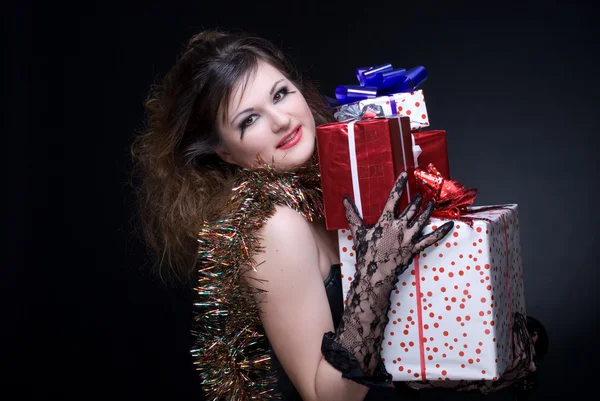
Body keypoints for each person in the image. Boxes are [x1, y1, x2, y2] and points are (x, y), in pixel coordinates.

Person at [129, 29, 545, 401]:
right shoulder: (274, 226)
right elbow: (327, 398)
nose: (280, 120)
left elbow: (402, 347)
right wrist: (376, 275)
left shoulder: (330, 188)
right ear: (223, 151)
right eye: (249, 119)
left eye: (279, 94)